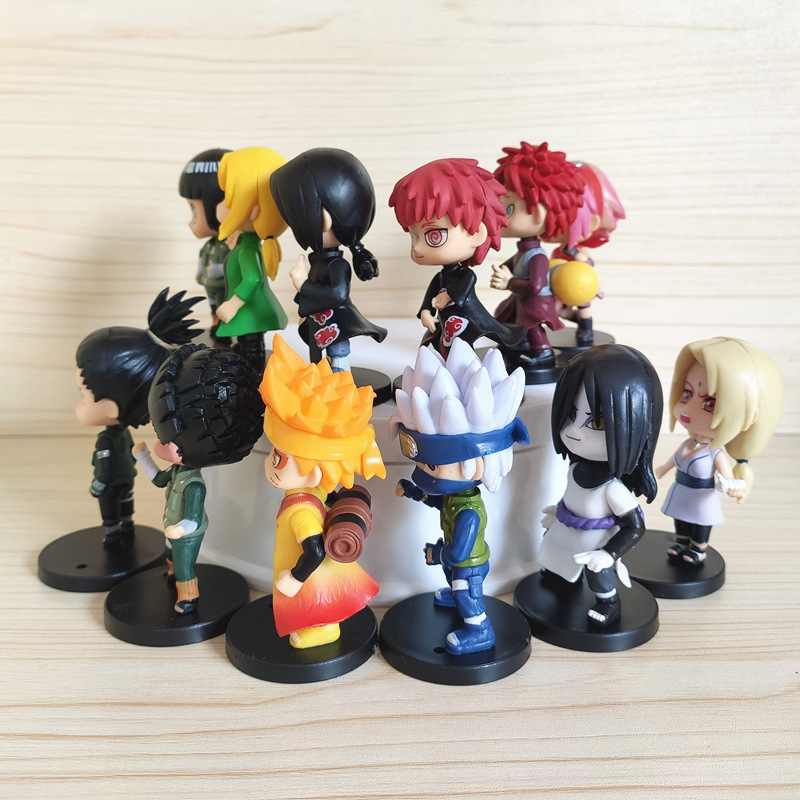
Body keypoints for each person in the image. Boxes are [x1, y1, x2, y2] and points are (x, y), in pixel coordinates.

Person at [391, 339, 528, 654]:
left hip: (469, 565)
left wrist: (436, 553)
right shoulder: (456, 499)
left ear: (475, 463)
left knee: (466, 593)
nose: (426, 470)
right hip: (458, 561)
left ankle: (480, 631)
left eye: (433, 465)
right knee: (452, 580)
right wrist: (415, 492)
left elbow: (457, 552)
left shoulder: (469, 513)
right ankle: (455, 598)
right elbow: (438, 502)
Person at [260, 335, 385, 648]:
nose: (269, 464)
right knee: (313, 601)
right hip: (315, 570)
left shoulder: (301, 512)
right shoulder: (312, 491)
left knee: (313, 603)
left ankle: (325, 630)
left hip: (310, 573)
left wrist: (295, 578)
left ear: (314, 471)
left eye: (278, 458)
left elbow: (314, 549)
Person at [132, 343, 264, 614]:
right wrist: (143, 458)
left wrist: (180, 529)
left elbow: (192, 517)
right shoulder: (178, 472)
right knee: (170, 555)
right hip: (171, 528)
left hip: (186, 534)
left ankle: (188, 597)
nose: (159, 444)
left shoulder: (193, 484)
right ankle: (172, 573)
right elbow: (159, 480)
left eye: (166, 440)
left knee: (184, 565)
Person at [537, 344, 662, 626]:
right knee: (553, 546)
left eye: (596, 423)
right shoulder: (574, 468)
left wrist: (608, 554)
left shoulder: (613, 489)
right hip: (570, 528)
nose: (573, 431)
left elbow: (635, 527)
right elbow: (572, 496)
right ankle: (560, 577)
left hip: (599, 539)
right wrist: (558, 512)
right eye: (570, 414)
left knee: (597, 571)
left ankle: (609, 603)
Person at [75, 288, 202, 547]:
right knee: (126, 504)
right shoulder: (122, 434)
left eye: (82, 396)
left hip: (113, 484)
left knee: (111, 508)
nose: (78, 405)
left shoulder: (106, 440)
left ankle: (113, 535)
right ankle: (128, 527)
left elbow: (106, 469)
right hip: (127, 481)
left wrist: (98, 484)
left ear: (110, 408)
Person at [656, 337, 783, 566]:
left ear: (748, 416)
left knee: (700, 524)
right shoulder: (687, 444)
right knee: (680, 519)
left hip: (701, 497)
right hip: (682, 492)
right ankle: (681, 543)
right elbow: (673, 461)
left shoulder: (716, 455)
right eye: (686, 394)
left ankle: (698, 550)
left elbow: (727, 477)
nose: (687, 409)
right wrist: (662, 469)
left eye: (710, 404)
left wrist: (733, 486)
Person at [389, 157, 527, 357]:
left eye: (434, 236)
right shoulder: (441, 278)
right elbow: (430, 297)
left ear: (476, 234)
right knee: (443, 348)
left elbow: (463, 287)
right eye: (413, 236)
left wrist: (447, 297)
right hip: (446, 324)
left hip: (467, 321)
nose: (417, 247)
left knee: (462, 349)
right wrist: (426, 311)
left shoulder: (465, 275)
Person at [270, 148, 387, 372]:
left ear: (323, 220)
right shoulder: (320, 260)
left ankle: (341, 376)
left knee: (338, 355)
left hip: (337, 323)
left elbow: (337, 295)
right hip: (320, 323)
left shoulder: (338, 265)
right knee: (320, 357)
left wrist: (303, 284)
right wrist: (304, 310)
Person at [489, 142, 584, 367]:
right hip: (522, 300)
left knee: (532, 326)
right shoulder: (525, 250)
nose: (499, 216)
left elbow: (535, 286)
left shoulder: (538, 256)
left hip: (536, 302)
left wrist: (509, 282)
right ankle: (518, 343)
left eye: (508, 209)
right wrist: (504, 269)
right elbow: (513, 263)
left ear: (539, 215)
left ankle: (543, 352)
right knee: (507, 316)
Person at [215, 146, 289, 372]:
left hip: (249, 311)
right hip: (251, 311)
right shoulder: (246, 244)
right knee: (247, 348)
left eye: (227, 198)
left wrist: (233, 305)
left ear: (253, 209)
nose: (219, 205)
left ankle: (253, 379)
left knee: (251, 350)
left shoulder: (248, 249)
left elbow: (253, 278)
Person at [178, 148, 234, 342]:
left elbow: (228, 267)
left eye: (195, 212)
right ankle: (215, 325)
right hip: (210, 285)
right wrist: (200, 273)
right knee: (213, 306)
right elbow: (203, 258)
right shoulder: (210, 246)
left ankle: (224, 328)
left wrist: (214, 271)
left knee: (223, 306)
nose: (190, 222)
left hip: (223, 287)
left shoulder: (231, 246)